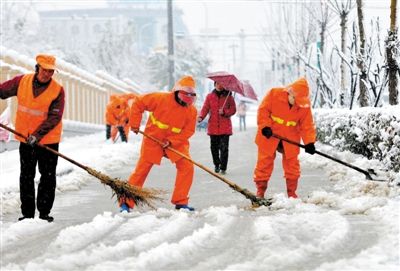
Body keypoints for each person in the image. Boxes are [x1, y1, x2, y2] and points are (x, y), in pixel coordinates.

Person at [0, 54, 65, 222]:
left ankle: (44, 213)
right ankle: (27, 215)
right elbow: (2, 91)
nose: (47, 74)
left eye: (51, 71)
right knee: (27, 175)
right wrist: (31, 136)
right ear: (37, 68)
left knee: (47, 176)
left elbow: (54, 117)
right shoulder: (21, 81)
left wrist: (38, 135)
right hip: (25, 138)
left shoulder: (58, 90)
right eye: (45, 70)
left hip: (48, 140)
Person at [119, 75, 198, 212]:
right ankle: (126, 202)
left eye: (189, 99)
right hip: (153, 139)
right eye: (184, 97)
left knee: (187, 167)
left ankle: (181, 201)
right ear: (177, 92)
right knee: (141, 170)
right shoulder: (160, 98)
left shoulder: (192, 111)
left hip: (174, 143)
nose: (186, 102)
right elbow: (138, 102)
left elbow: (189, 131)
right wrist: (135, 123)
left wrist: (173, 141)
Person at [253, 77, 316, 199]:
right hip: (270, 133)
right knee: (264, 163)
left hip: (291, 135)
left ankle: (292, 194)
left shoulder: (304, 106)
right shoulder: (273, 94)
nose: (297, 103)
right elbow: (263, 111)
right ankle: (260, 192)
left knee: (292, 165)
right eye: (295, 100)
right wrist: (265, 126)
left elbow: (307, 125)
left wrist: (309, 142)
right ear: (290, 92)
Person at [198, 82, 236, 174]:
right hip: (213, 127)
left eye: (221, 84)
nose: (219, 85)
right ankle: (217, 164)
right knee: (213, 148)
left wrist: (225, 112)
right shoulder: (209, 96)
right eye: (217, 84)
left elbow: (233, 110)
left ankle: (223, 167)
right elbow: (205, 108)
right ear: (214, 85)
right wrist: (201, 117)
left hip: (225, 128)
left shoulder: (229, 97)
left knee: (224, 148)